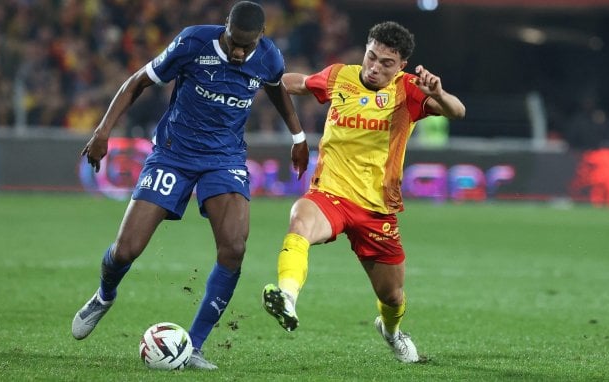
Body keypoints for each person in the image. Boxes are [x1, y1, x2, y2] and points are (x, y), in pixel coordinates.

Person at [71, 1, 309, 370]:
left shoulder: (268, 57)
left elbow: (277, 88)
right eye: (233, 41)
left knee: (233, 248)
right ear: (224, 26)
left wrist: (298, 136)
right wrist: (103, 130)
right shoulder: (192, 43)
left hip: (225, 159)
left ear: (261, 37)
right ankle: (104, 295)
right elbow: (138, 82)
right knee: (127, 249)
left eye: (247, 45)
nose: (238, 51)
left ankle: (194, 346)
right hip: (173, 154)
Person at [261, 21, 465, 363]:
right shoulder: (340, 76)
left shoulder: (410, 90)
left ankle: (391, 332)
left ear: (401, 66)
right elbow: (297, 83)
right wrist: (254, 76)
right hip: (331, 195)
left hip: (376, 210)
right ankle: (287, 297)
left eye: (386, 63)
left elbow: (457, 111)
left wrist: (439, 93)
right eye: (372, 57)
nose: (375, 67)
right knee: (299, 218)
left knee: (393, 296)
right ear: (366, 51)